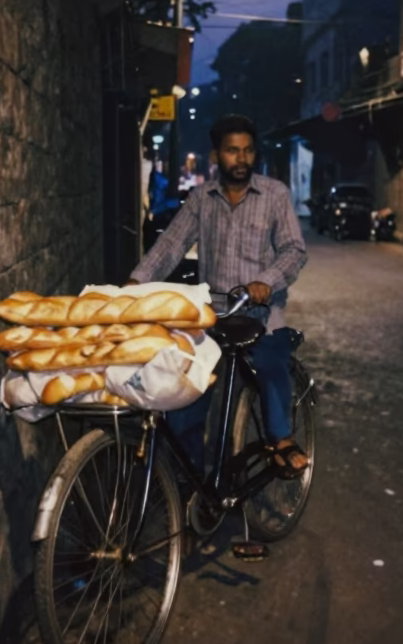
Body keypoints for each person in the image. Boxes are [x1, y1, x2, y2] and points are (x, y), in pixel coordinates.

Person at [127, 113, 309, 478]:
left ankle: (281, 439)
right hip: (213, 317)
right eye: (232, 151)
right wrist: (137, 282)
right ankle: (189, 484)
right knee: (186, 396)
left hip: (260, 314)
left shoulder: (274, 195)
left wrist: (267, 282)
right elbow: (172, 244)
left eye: (247, 151)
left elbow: (293, 250)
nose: (240, 159)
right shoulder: (201, 198)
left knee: (271, 364)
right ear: (216, 156)